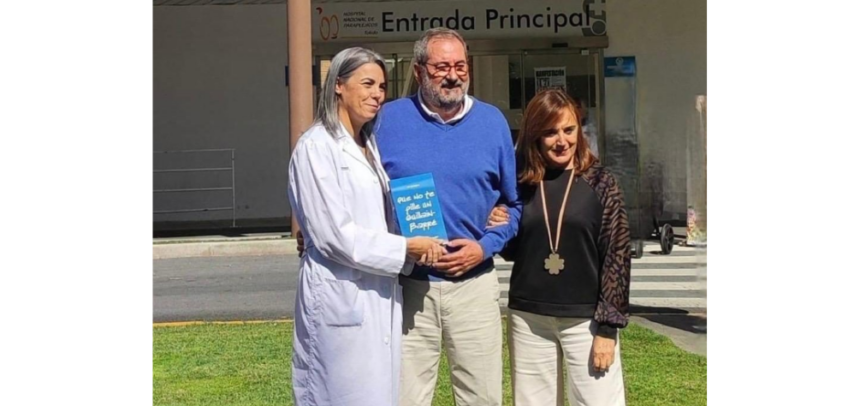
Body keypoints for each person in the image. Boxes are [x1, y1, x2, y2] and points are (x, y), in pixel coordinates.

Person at [287, 47, 446, 406]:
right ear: (338, 86)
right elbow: (335, 237)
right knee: (338, 394)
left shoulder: (367, 145)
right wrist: (405, 249)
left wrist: (412, 243)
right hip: (339, 297)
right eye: (368, 84)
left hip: (379, 294)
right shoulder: (317, 147)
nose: (377, 94)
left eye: (383, 86)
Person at [375, 28, 522, 406]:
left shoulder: (493, 124)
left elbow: (515, 204)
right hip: (408, 286)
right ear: (420, 70)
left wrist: (485, 247)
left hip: (474, 286)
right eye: (441, 67)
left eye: (460, 65)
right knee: (404, 397)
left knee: (482, 397)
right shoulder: (386, 121)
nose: (452, 75)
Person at [489, 88, 631, 405]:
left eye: (569, 130)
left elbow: (617, 256)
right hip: (529, 317)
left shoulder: (601, 183)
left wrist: (608, 330)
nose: (561, 140)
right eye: (550, 132)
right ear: (535, 135)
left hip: (587, 321)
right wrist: (501, 224)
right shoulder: (521, 182)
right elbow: (515, 251)